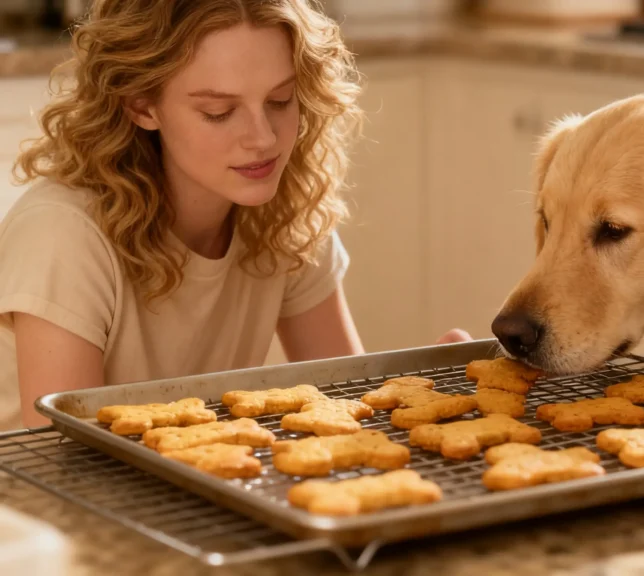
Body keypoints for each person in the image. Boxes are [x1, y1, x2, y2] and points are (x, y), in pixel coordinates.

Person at [0, 0, 472, 430]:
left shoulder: (284, 211)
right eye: (219, 111)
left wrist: (429, 400)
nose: (263, 138)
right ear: (141, 104)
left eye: (280, 101)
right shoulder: (63, 237)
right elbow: (66, 466)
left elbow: (348, 407)